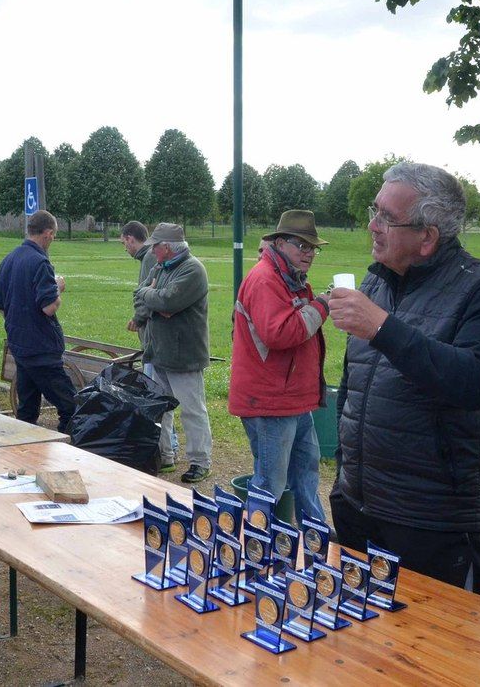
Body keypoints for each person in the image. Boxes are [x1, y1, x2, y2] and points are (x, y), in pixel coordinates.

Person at [328, 162, 480, 595]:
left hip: (432, 522)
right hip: (360, 507)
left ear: (428, 237)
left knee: (436, 655)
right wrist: (344, 480)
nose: (373, 226)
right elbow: (355, 390)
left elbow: (473, 383)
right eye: (374, 212)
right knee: (359, 648)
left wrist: (381, 327)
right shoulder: (376, 285)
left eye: (387, 218)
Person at [229, 209, 331, 523]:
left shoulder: (291, 279)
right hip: (270, 402)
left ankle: (313, 542)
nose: (310, 253)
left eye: (313, 247)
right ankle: (256, 552)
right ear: (281, 243)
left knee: (306, 475)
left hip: (292, 400)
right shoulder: (265, 279)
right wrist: (323, 305)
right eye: (303, 246)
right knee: (269, 484)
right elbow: (280, 334)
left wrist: (319, 304)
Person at [133, 223, 212, 483]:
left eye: (155, 245)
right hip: (158, 351)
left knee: (192, 409)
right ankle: (165, 455)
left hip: (184, 354)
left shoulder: (192, 269)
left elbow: (168, 301)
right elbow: (143, 296)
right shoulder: (160, 266)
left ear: (166, 247)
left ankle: (200, 461)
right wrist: (152, 298)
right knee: (160, 408)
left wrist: (152, 297)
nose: (152, 250)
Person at [0, 210, 77, 428]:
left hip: (19, 346)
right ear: (48, 233)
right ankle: (71, 453)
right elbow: (49, 307)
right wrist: (58, 288)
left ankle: (26, 452)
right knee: (71, 407)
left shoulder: (8, 259)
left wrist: (17, 320)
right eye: (53, 236)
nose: (52, 240)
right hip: (42, 350)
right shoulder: (40, 262)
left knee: (27, 410)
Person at [121, 219, 179, 469]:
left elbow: (145, 294)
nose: (125, 247)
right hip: (154, 335)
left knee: (158, 391)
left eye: (124, 242)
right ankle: (168, 444)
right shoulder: (149, 257)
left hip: (153, 338)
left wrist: (138, 317)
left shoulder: (147, 259)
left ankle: (169, 445)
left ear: (132, 239)